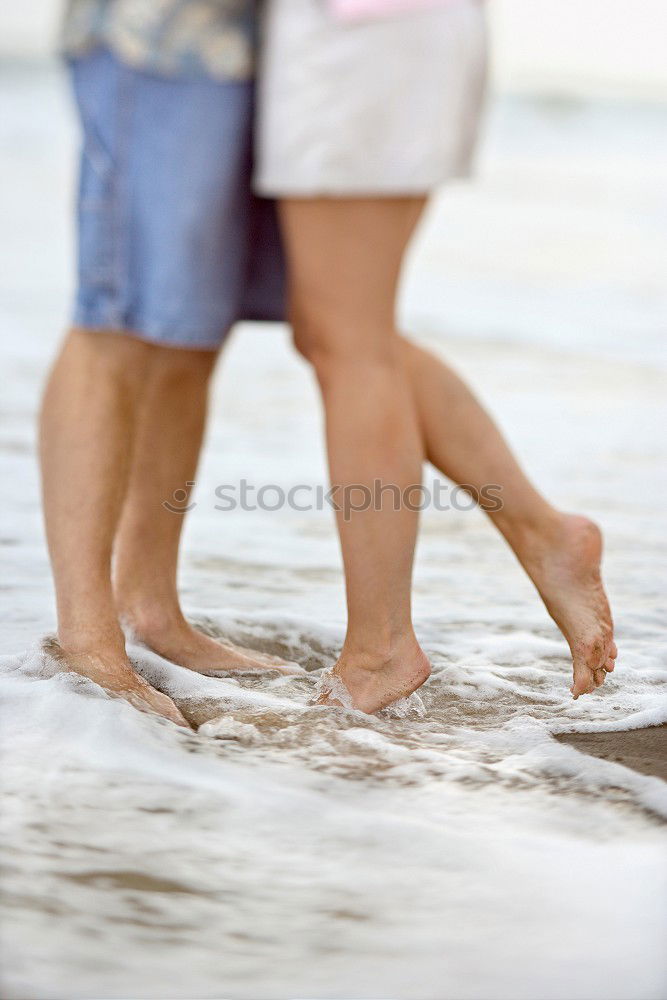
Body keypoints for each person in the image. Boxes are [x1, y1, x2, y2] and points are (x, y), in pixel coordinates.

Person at [255, 0, 617, 712]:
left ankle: (381, 649)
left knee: (350, 343)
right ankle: (545, 536)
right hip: (367, 35)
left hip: (361, 35)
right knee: (333, 331)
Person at [40, 0, 297, 728]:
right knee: (114, 317)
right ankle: (87, 637)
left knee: (190, 331)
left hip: (260, 43)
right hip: (154, 34)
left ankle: (152, 608)